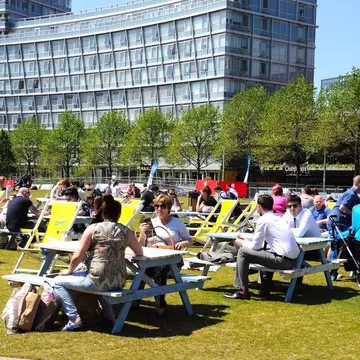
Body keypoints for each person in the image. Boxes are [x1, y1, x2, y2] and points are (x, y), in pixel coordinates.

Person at [53, 194, 143, 331]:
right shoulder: (127, 231)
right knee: (100, 287)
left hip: (97, 280)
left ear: (102, 213)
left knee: (57, 282)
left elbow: (78, 255)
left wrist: (68, 271)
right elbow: (139, 253)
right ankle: (110, 317)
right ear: (119, 214)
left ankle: (73, 318)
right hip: (118, 280)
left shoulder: (93, 229)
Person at [223, 195, 299, 300]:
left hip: (283, 261)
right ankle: (264, 288)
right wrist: (247, 242)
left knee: (242, 252)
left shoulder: (263, 220)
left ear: (259, 206)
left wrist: (242, 242)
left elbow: (255, 246)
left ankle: (243, 290)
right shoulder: (279, 218)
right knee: (263, 251)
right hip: (294, 261)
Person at [138, 194, 192, 313]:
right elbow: (141, 246)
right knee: (142, 270)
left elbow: (189, 240)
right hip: (153, 257)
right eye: (156, 206)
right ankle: (134, 301)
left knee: (159, 269)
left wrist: (182, 243)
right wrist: (142, 233)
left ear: (168, 208)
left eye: (162, 206)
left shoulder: (177, 223)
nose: (159, 209)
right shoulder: (150, 223)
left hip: (173, 259)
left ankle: (160, 303)